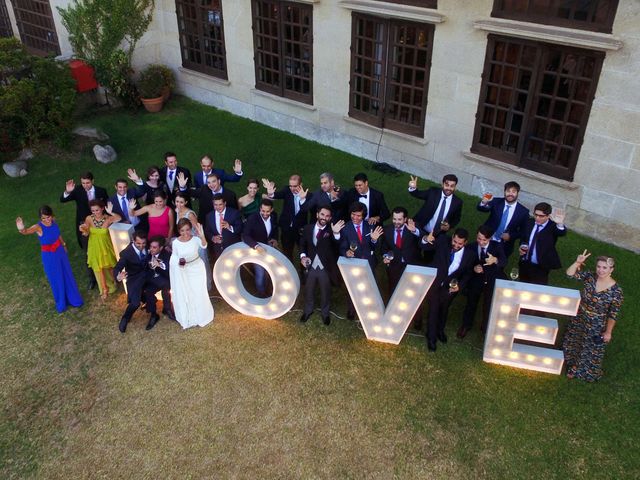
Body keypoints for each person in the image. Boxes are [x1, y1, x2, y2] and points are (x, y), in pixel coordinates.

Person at [563, 251, 623, 382]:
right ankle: (570, 362)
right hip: (580, 316)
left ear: (611, 269)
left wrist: (608, 332)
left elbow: (613, 314)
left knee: (588, 347)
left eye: (604, 267)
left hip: (596, 322)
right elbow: (569, 274)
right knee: (575, 339)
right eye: (599, 267)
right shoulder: (590, 276)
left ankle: (580, 370)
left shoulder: (616, 291)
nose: (601, 270)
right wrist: (578, 262)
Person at [16, 206, 83, 313]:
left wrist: (64, 244)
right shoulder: (38, 227)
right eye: (44, 218)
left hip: (60, 252)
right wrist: (21, 228)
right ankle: (62, 302)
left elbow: (58, 234)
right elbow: (26, 231)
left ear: (51, 215)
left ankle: (73, 298)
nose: (47, 220)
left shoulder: (54, 221)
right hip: (50, 256)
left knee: (67, 273)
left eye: (48, 217)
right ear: (40, 218)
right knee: (56, 277)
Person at [422, 228, 474, 352]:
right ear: (452, 238)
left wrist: (459, 286)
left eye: (459, 243)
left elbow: (467, 274)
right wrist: (425, 240)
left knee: (444, 308)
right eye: (455, 241)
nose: (456, 245)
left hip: (450, 287)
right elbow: (425, 247)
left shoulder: (470, 255)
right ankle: (431, 338)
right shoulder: (442, 244)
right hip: (435, 283)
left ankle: (440, 330)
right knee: (434, 309)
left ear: (465, 242)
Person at [59, 172, 109, 289]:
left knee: (103, 250)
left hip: (100, 225)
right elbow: (63, 200)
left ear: (93, 181)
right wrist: (67, 192)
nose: (85, 185)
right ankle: (92, 279)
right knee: (88, 253)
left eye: (87, 183)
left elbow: (106, 206)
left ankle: (107, 276)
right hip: (84, 226)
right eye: (83, 183)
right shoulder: (77, 191)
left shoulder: (101, 191)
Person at [457, 225, 506, 339]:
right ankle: (466, 325)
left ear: (490, 238)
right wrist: (474, 268)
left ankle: (485, 328)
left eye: (484, 240)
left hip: (491, 277)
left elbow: (504, 261)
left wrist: (495, 260)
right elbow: (466, 263)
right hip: (477, 278)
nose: (481, 242)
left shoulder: (497, 246)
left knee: (489, 303)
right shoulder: (471, 247)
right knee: (471, 302)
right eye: (479, 238)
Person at [299, 206, 345, 325]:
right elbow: (302, 244)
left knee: (326, 291)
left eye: (327, 216)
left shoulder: (331, 230)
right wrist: (303, 256)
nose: (324, 217)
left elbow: (337, 245)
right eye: (322, 214)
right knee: (309, 289)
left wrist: (336, 233)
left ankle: (325, 313)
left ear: (330, 218)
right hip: (311, 266)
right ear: (317, 215)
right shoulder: (308, 228)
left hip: (325, 267)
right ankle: (308, 310)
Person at [339, 202, 383, 320]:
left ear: (363, 216)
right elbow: (342, 247)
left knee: (369, 286)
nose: (355, 218)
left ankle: (368, 309)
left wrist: (374, 240)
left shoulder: (370, 226)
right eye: (353, 214)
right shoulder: (345, 228)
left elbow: (375, 247)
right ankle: (351, 309)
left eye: (358, 215)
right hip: (353, 263)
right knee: (353, 287)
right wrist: (346, 253)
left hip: (369, 262)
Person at [170, 218, 214, 329]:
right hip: (184, 271)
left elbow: (204, 246)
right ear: (179, 231)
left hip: (197, 268)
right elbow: (174, 257)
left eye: (187, 230)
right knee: (188, 292)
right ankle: (191, 316)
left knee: (198, 291)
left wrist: (201, 235)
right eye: (182, 231)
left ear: (191, 229)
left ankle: (202, 315)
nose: (185, 233)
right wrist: (178, 263)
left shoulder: (195, 239)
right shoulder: (175, 243)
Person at [79, 200, 121, 300]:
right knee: (98, 269)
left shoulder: (108, 218)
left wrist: (111, 212)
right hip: (94, 246)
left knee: (109, 266)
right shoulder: (89, 218)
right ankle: (104, 290)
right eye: (93, 210)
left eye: (97, 210)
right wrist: (83, 229)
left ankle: (112, 282)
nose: (95, 212)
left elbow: (119, 218)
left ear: (102, 209)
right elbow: (86, 233)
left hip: (105, 246)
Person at [477, 181, 529, 258]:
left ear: (518, 193)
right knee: (480, 259)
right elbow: (481, 209)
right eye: (508, 191)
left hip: (505, 245)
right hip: (487, 238)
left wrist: (510, 236)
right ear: (504, 192)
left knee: (498, 265)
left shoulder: (523, 212)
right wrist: (484, 202)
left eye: (513, 191)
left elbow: (523, 231)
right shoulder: (496, 202)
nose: (510, 194)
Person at [518, 202, 566, 285]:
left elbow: (561, 232)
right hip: (525, 263)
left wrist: (560, 223)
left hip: (541, 266)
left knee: (537, 289)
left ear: (548, 216)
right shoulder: (529, 223)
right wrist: (521, 246)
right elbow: (524, 238)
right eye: (536, 214)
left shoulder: (552, 227)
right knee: (522, 285)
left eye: (541, 216)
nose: (537, 218)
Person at [264, 174, 308, 260]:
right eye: (290, 186)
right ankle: (289, 271)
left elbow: (308, 208)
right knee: (287, 252)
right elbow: (277, 195)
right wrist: (271, 193)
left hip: (300, 229)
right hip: (286, 228)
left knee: (303, 252)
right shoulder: (286, 190)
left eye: (295, 186)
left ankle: (304, 271)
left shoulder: (307, 195)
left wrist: (303, 199)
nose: (292, 188)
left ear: (301, 185)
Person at [114, 231, 151, 332]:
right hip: (134, 278)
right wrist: (118, 276)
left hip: (148, 274)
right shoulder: (126, 253)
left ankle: (147, 303)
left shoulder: (148, 246)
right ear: (133, 241)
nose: (141, 246)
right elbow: (117, 267)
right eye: (138, 243)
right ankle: (125, 318)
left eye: (143, 243)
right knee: (135, 303)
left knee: (153, 290)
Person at [242, 199, 280, 297]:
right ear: (260, 209)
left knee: (270, 271)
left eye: (268, 211)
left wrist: (275, 239)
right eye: (263, 211)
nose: (265, 213)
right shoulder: (252, 218)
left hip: (270, 248)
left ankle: (268, 289)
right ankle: (262, 294)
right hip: (257, 250)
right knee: (260, 273)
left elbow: (275, 229)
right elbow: (246, 236)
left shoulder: (274, 216)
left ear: (272, 210)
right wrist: (256, 246)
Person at [175, 192, 212, 290]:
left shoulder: (190, 214)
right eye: (177, 201)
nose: (179, 204)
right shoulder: (177, 211)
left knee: (203, 264)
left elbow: (197, 228)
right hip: (186, 241)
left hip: (196, 242)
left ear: (186, 202)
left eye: (181, 202)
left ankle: (207, 286)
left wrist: (198, 240)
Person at [142, 236, 176, 329]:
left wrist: (160, 264)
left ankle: (167, 309)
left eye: (154, 247)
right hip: (152, 279)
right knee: (148, 291)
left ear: (161, 248)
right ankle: (153, 315)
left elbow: (168, 267)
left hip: (164, 278)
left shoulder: (166, 254)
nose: (151, 249)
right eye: (151, 246)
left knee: (166, 286)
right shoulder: (148, 253)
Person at [204, 194, 243, 265]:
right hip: (218, 248)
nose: (218, 207)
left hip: (232, 246)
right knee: (221, 268)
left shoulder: (234, 213)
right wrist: (213, 238)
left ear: (225, 203)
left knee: (234, 267)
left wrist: (229, 227)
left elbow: (240, 228)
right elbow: (207, 231)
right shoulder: (209, 216)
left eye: (220, 204)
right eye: (215, 205)